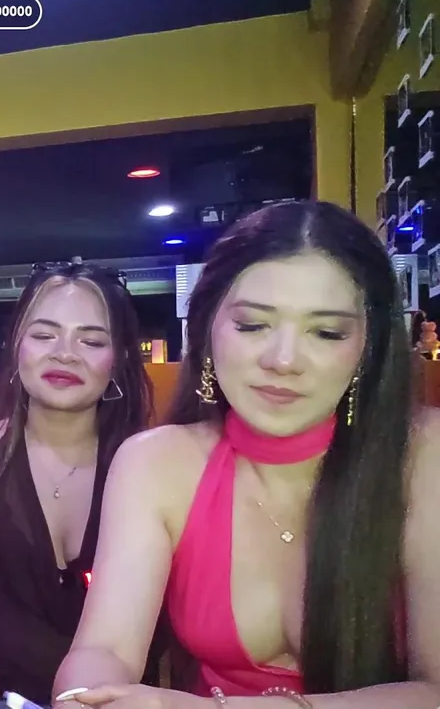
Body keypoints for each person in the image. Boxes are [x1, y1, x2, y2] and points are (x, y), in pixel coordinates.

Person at [53, 201, 440, 707]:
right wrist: (86, 695)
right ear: (207, 329)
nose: (283, 360)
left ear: (369, 347)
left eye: (326, 333)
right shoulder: (156, 462)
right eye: (253, 325)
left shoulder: (423, 455)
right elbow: (104, 647)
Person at [0, 261, 155, 706]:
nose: (65, 354)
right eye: (44, 335)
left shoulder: (152, 467)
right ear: (16, 345)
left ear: (119, 358)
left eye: (91, 341)